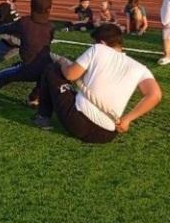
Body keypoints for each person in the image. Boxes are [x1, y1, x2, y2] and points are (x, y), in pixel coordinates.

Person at [32, 24, 162, 142]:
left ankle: (42, 117)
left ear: (102, 42)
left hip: (78, 123)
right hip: (106, 135)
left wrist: (62, 63)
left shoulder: (99, 49)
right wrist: (128, 119)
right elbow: (155, 95)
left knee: (52, 69)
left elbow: (70, 75)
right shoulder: (140, 68)